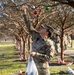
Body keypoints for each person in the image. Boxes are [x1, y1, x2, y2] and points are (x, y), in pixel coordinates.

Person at [22, 5, 55, 75]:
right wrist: (25, 14)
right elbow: (29, 27)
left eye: (43, 28)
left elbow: (49, 58)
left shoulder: (49, 43)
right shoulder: (36, 36)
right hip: (31, 68)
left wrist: (36, 54)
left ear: (47, 32)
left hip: (42, 70)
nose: (40, 28)